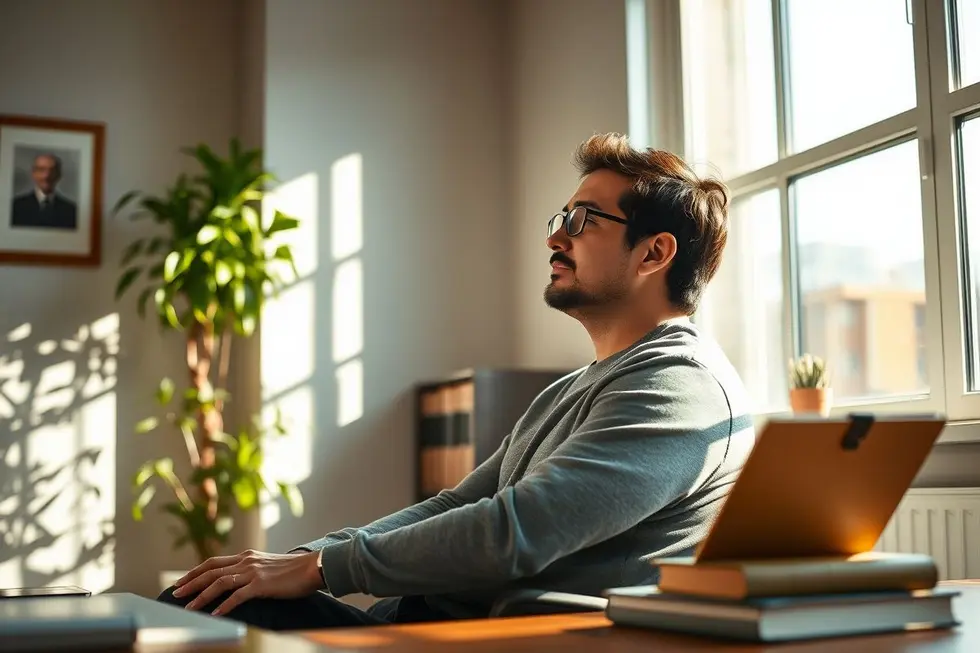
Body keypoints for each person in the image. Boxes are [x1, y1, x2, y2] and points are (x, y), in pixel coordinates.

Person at [159, 133, 755, 630]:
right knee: (207, 597)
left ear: (654, 253)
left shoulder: (680, 386)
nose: (555, 236)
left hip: (497, 640)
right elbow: (461, 502)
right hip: (427, 620)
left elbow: (516, 531)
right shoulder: (581, 385)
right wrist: (309, 556)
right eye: (561, 218)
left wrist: (324, 570)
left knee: (201, 612)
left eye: (582, 220)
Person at [10, 153, 77, 230]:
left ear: (59, 175)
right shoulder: (15, 207)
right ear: (33, 174)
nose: (46, 176)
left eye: (52, 170)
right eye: (41, 170)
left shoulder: (71, 210)